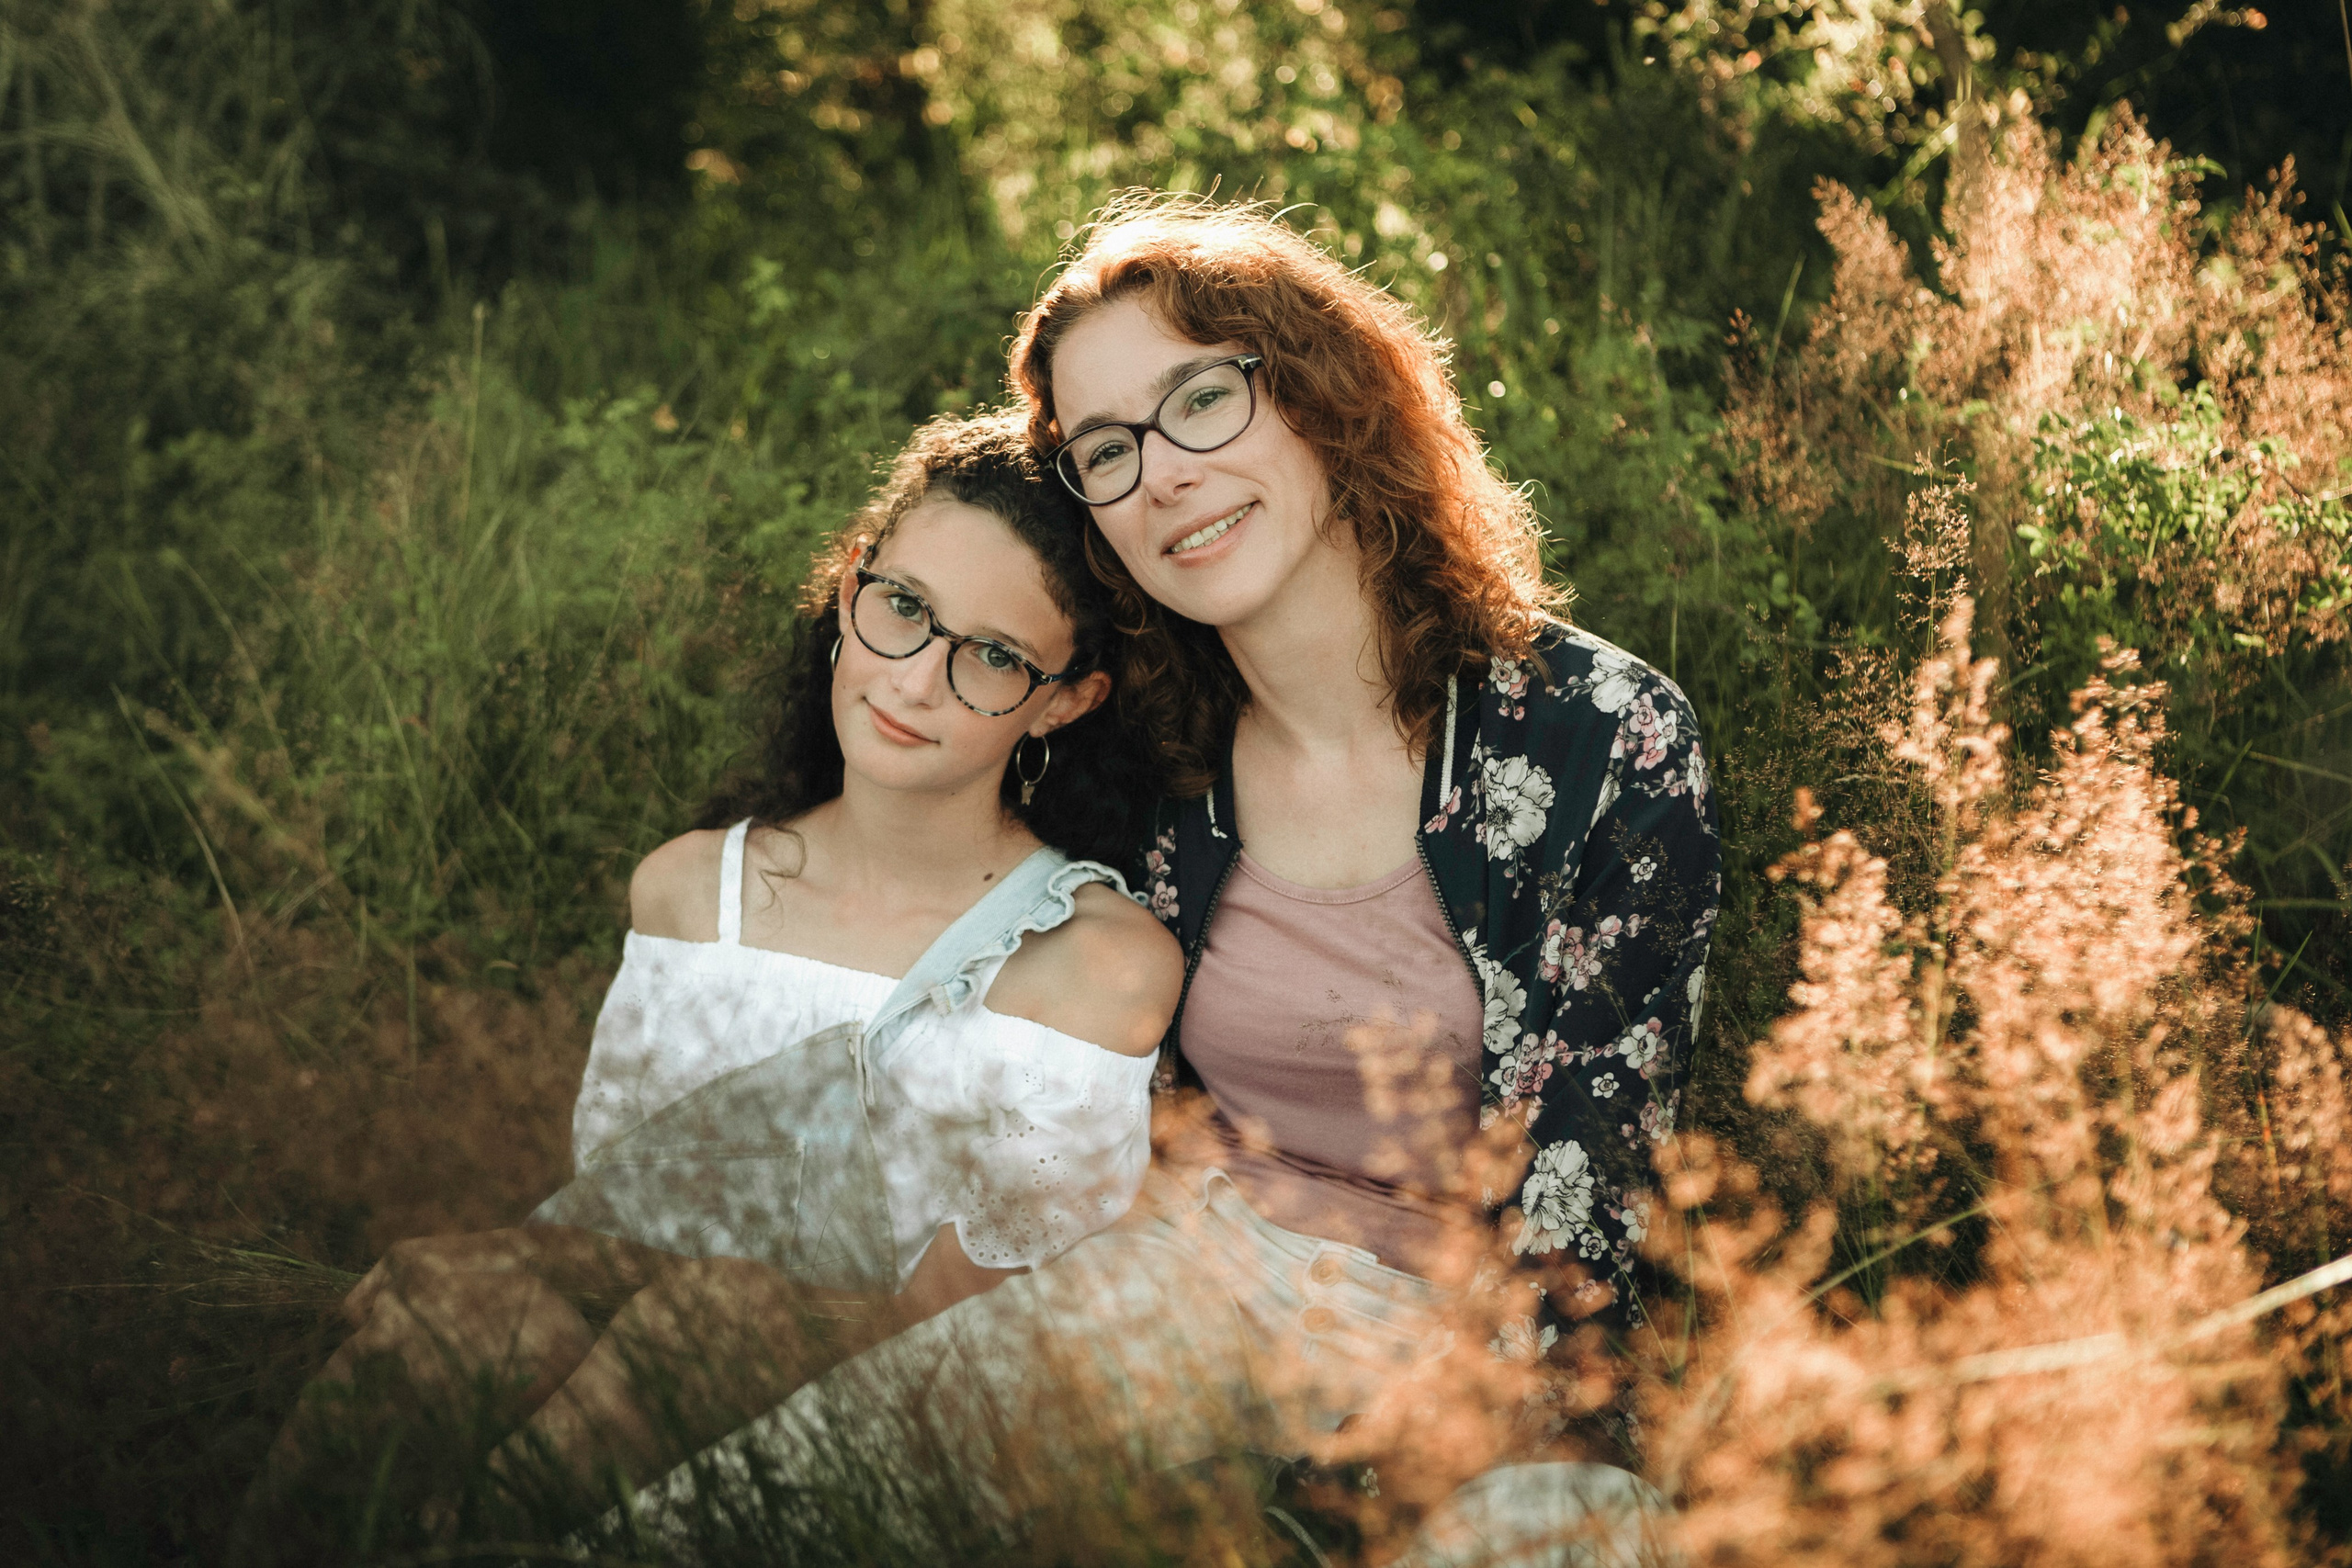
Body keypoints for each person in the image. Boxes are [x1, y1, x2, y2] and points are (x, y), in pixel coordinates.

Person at [611, 199, 1721, 1565]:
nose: (1162, 475)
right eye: (1106, 450)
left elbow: (1590, 1218)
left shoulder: (1606, 734)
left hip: (1480, 1355)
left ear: (1321, 395)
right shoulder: (1149, 752)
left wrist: (1329, 1488)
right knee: (729, 1513)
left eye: (1201, 398)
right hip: (1198, 1266)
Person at [235, 412, 1182, 1555]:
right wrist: (498, 1271)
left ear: (1065, 699)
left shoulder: (1088, 962)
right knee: (454, 1321)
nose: (916, 683)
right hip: (643, 1342)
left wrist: (703, 1312)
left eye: (989, 656)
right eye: (903, 611)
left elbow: (968, 1316)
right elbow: (631, 1210)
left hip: (896, 1424)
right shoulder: (694, 894)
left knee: (707, 1320)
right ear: (849, 590)